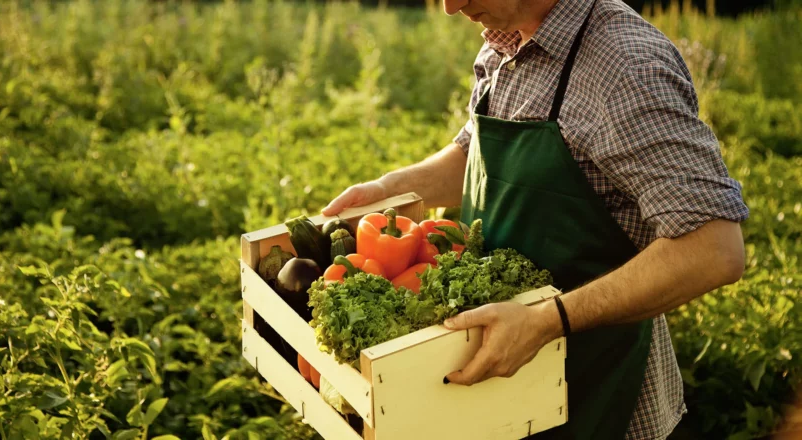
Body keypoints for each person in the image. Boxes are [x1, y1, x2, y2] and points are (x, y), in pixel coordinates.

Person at [321, 0, 749, 438]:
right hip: (500, 391)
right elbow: (476, 155)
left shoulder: (624, 66)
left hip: (598, 390)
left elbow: (714, 248)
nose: (451, 7)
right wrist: (391, 188)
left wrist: (548, 321)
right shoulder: (502, 42)